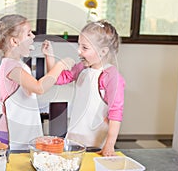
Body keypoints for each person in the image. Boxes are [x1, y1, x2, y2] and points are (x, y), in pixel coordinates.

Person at [0, 14, 74, 150]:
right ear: (15, 42)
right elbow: (39, 88)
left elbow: (45, 84)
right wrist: (61, 65)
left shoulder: (16, 65)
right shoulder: (11, 67)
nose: (33, 37)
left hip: (23, 127)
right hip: (12, 132)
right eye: (29, 34)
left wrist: (49, 57)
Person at [43, 20, 125, 156]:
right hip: (74, 138)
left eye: (85, 48)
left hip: (96, 144)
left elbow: (116, 113)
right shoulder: (82, 67)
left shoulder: (111, 76)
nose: (79, 51)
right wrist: (49, 56)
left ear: (103, 51)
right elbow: (56, 79)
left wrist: (109, 145)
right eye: (79, 45)